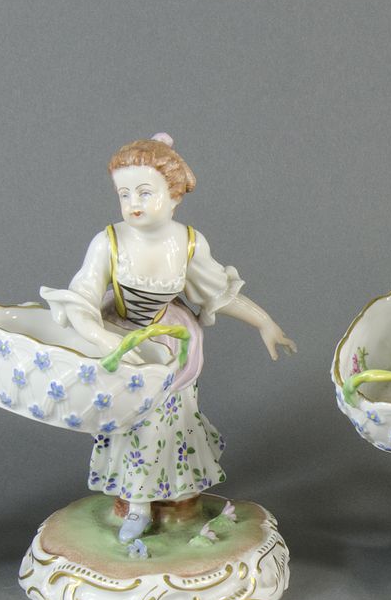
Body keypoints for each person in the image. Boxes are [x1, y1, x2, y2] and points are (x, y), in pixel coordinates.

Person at [40, 134, 295, 542]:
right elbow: (80, 303)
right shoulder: (108, 242)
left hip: (172, 343)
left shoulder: (188, 243)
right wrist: (106, 342)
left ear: (174, 195)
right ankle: (136, 505)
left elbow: (217, 293)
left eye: (145, 192)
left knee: (172, 423)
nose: (133, 203)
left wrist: (264, 322)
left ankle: (178, 499)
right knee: (135, 425)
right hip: (122, 338)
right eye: (124, 194)